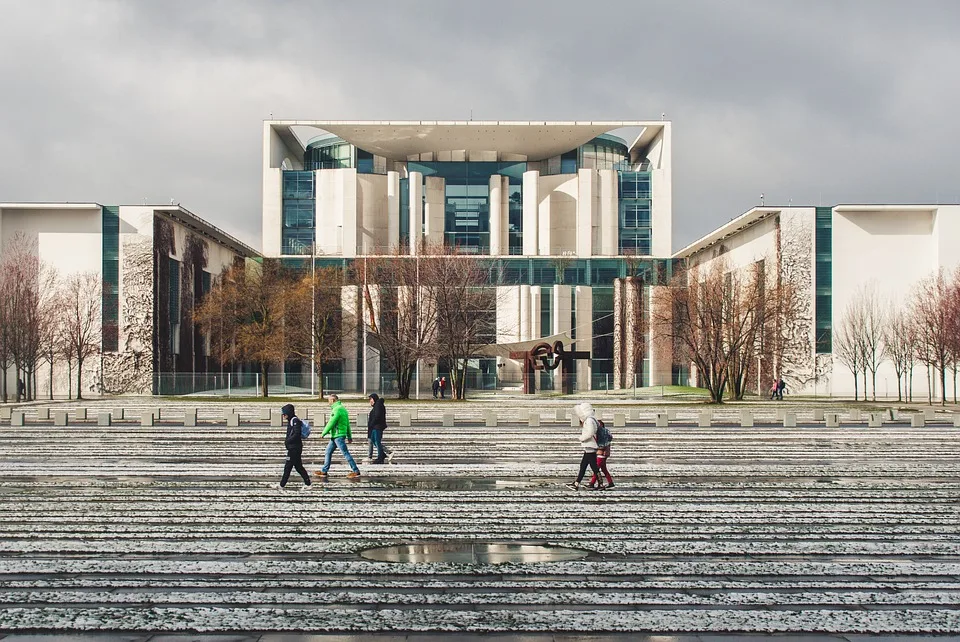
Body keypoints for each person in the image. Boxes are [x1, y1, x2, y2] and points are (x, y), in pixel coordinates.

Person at [317, 394, 361, 479]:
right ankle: (324, 471)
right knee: (328, 452)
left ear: (333, 400)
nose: (328, 402)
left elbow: (331, 422)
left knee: (345, 453)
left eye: (329, 400)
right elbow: (348, 424)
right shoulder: (343, 409)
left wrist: (323, 433)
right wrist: (349, 436)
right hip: (337, 435)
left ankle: (356, 471)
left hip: (338, 435)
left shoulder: (336, 410)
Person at [566, 402, 601, 491]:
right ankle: (577, 483)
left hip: (590, 445)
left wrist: (582, 438)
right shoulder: (591, 419)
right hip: (589, 446)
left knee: (593, 466)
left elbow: (590, 432)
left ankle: (600, 484)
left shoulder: (589, 420)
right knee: (584, 465)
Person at [278, 403, 312, 490]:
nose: (283, 416)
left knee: (288, 467)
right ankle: (308, 483)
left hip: (295, 448)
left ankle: (282, 485)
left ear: (288, 413)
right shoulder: (292, 421)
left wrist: (287, 441)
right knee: (298, 467)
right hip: (293, 447)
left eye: (284, 414)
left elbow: (297, 434)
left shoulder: (295, 421)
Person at [367, 393, 391, 464]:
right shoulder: (377, 405)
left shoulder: (378, 405)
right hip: (376, 426)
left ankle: (381, 457)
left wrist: (371, 424)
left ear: (374, 398)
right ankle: (382, 455)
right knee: (375, 440)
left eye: (371, 399)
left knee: (376, 441)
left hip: (377, 426)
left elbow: (377, 416)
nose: (370, 401)